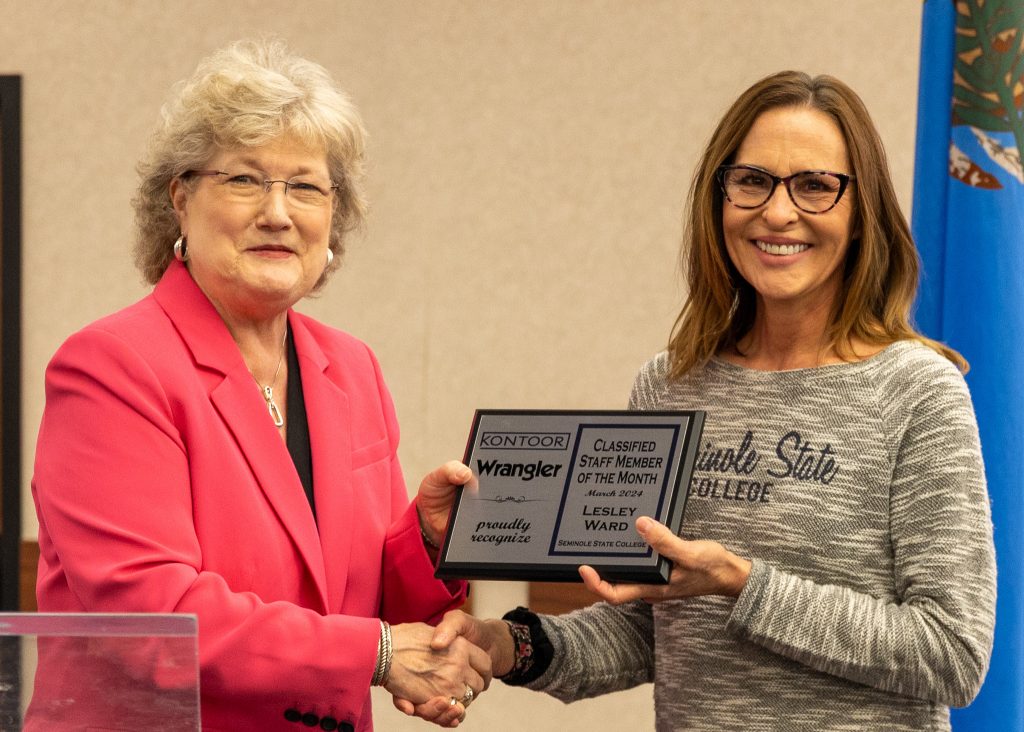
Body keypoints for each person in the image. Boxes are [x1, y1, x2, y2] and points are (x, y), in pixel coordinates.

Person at [422, 71, 997, 731]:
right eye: (752, 180)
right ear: (719, 197)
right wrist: (509, 646)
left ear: (862, 212)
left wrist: (742, 582)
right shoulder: (670, 384)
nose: (778, 212)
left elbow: (953, 653)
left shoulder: (919, 391)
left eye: (815, 185)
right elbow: (645, 627)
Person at [30, 39, 484, 732]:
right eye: (245, 180)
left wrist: (424, 541)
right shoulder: (112, 366)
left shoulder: (351, 367)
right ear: (180, 200)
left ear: (334, 218)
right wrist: (379, 652)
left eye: (305, 186)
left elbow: (367, 602)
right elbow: (153, 614)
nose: (279, 212)